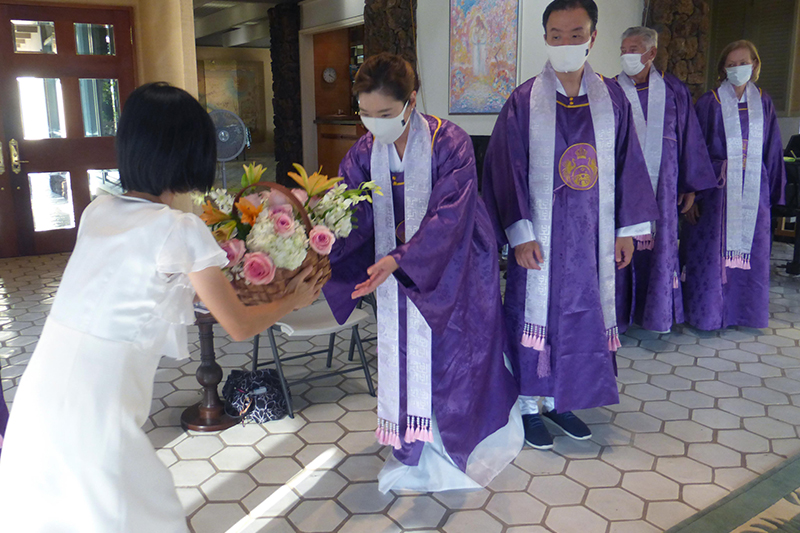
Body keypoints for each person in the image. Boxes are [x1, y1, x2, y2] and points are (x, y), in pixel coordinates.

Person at [0, 83, 323, 532]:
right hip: (97, 411)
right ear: (187, 152)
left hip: (41, 395)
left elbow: (144, 288)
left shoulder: (99, 211)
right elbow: (240, 325)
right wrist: (294, 298)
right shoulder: (179, 229)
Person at [324, 53, 522, 492]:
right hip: (394, 267)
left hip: (457, 264)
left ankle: (458, 440)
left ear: (412, 101)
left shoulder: (449, 142)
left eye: (386, 114)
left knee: (454, 355)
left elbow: (452, 213)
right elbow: (350, 213)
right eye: (366, 114)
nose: (374, 124)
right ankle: (414, 441)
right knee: (406, 355)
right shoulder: (363, 152)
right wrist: (321, 245)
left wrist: (401, 259)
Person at [482, 0, 659, 450]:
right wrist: (518, 235)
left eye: (576, 34)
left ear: (593, 37)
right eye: (557, 35)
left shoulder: (611, 99)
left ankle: (564, 400)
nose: (566, 43)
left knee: (581, 318)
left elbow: (628, 166)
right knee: (532, 316)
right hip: (539, 241)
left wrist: (624, 232)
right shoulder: (524, 101)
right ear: (546, 38)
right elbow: (505, 170)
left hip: (590, 242)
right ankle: (527, 405)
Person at [614, 26, 717, 334]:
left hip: (665, 188)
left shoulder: (673, 90)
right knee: (621, 248)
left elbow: (689, 138)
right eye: (624, 49)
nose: (626, 55)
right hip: (621, 189)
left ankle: (655, 316)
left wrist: (689, 185)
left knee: (660, 251)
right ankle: (618, 316)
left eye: (634, 48)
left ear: (651, 53)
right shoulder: (610, 89)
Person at [681, 41, 786, 330]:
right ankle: (709, 315)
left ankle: (745, 314)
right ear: (723, 69)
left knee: (752, 252)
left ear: (755, 64)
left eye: (743, 62)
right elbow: (695, 149)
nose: (738, 68)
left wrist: (776, 195)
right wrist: (694, 191)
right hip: (717, 192)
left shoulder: (763, 101)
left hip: (753, 191)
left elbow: (773, 148)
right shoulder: (709, 102)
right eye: (731, 63)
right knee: (711, 253)